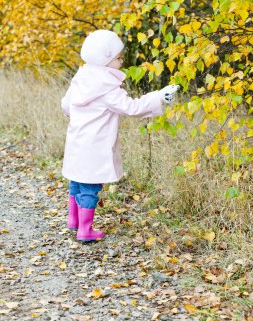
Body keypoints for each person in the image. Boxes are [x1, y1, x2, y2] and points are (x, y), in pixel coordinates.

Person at [61, 30, 179, 241]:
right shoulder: (107, 89)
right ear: (105, 60)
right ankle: (85, 231)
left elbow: (66, 104)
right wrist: (159, 97)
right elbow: (132, 108)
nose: (121, 60)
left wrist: (77, 118)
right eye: (118, 57)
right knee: (90, 186)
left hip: (77, 139)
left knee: (77, 180)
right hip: (95, 146)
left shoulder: (82, 77)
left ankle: (73, 220)